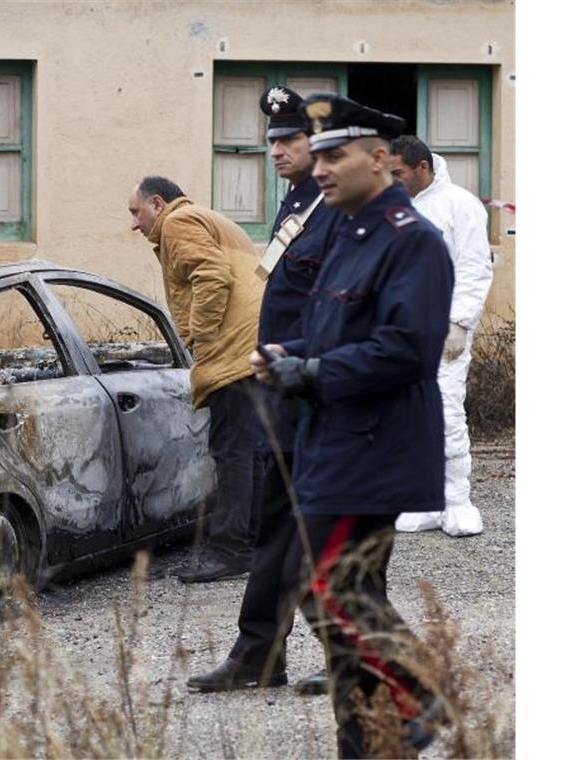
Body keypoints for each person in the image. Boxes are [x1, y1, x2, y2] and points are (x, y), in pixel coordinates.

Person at [252, 94, 452, 756]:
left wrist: (313, 373)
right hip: (331, 439)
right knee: (341, 605)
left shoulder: (411, 241)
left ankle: (423, 692)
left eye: (335, 155)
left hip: (373, 447)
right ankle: (370, 738)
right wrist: (293, 355)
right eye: (321, 156)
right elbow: (328, 327)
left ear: (380, 158)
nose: (319, 169)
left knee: (327, 589)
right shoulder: (349, 232)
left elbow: (406, 347)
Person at [186, 86, 341, 693]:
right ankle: (258, 654)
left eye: (289, 140)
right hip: (282, 392)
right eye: (272, 140)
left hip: (318, 393)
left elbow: (335, 309)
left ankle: (351, 654)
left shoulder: (333, 210)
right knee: (278, 528)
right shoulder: (297, 202)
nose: (276, 150)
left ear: (318, 143)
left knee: (330, 533)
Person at [128, 176, 263, 583]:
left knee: (231, 451)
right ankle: (251, 543)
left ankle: (230, 550)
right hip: (255, 345)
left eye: (136, 212)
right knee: (251, 451)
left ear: (157, 202)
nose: (134, 224)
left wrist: (199, 336)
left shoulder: (178, 222)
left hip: (233, 351)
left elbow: (212, 275)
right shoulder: (205, 217)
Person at [389, 136, 493, 537]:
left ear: (423, 168)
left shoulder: (460, 205)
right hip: (402, 332)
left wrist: (459, 324)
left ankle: (457, 501)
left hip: (443, 331)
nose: (392, 180)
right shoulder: (395, 208)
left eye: (398, 173)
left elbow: (473, 268)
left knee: (446, 412)